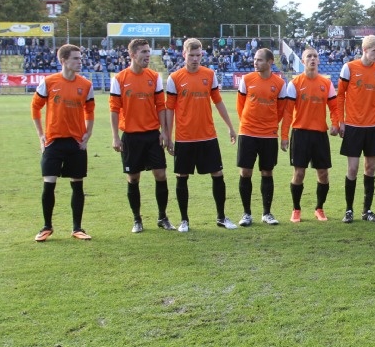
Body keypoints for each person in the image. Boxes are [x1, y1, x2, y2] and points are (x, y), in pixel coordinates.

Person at [165, 38, 238, 232]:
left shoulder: (209, 75)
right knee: (182, 176)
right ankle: (184, 220)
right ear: (184, 54)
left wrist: (230, 127)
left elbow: (218, 101)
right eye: (191, 55)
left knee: (218, 174)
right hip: (184, 137)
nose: (195, 59)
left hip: (208, 136)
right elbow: (169, 109)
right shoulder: (174, 78)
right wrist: (167, 135)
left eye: (198, 55)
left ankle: (221, 217)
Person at [109, 38, 176, 233]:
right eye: (143, 52)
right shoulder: (119, 79)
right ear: (132, 55)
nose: (148, 55)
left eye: (148, 52)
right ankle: (137, 219)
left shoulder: (154, 77)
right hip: (130, 136)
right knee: (133, 178)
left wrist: (164, 131)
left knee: (161, 174)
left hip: (152, 135)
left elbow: (161, 106)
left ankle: (162, 217)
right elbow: (114, 109)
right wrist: (115, 136)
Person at [31, 44, 95, 241]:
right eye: (75, 58)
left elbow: (90, 111)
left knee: (77, 185)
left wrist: (88, 134)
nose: (79, 61)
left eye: (80, 58)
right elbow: (35, 108)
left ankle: (77, 228)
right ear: (64, 60)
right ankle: (46, 227)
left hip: (76, 143)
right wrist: (41, 136)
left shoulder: (86, 84)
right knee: (49, 184)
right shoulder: (49, 82)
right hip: (53, 142)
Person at [334, 35, 375, 223]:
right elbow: (340, 96)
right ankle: (349, 210)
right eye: (374, 51)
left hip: (373, 126)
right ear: (364, 50)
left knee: (370, 167)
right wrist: (340, 121)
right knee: (353, 168)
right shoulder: (349, 68)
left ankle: (367, 210)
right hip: (353, 126)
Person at [282, 47, 339, 222]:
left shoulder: (326, 83)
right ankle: (296, 209)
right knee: (299, 173)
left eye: (315, 56)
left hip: (320, 135)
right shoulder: (295, 83)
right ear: (303, 60)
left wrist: (335, 124)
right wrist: (284, 135)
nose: (312, 59)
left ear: (319, 60)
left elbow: (335, 107)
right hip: (300, 134)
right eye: (309, 56)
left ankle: (319, 208)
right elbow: (287, 112)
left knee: (323, 173)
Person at [236, 48, 289, 226]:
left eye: (259, 60)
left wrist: (270, 124)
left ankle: (267, 213)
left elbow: (281, 110)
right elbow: (240, 106)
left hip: (268, 134)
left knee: (267, 171)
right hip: (248, 132)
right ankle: (246, 214)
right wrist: (248, 123)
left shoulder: (280, 84)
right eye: (255, 59)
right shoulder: (247, 79)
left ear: (270, 62)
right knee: (245, 172)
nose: (255, 62)